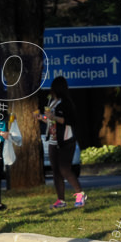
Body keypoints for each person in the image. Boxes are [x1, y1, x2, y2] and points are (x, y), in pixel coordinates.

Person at [40, 75, 85, 209]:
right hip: (53, 141)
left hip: (65, 140)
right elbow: (50, 120)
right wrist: (41, 117)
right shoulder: (52, 103)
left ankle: (80, 195)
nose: (51, 91)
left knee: (65, 169)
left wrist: (53, 117)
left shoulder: (66, 103)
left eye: (53, 88)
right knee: (56, 172)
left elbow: (69, 121)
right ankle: (61, 200)